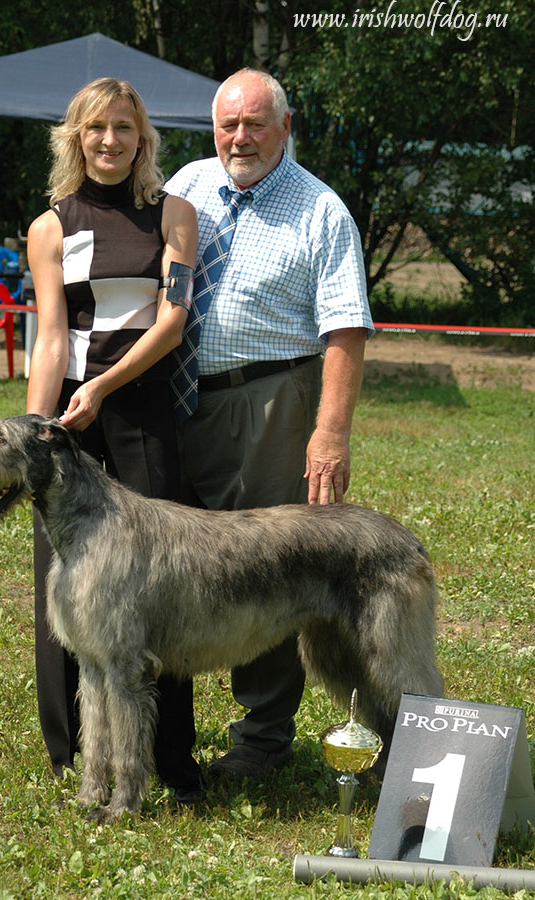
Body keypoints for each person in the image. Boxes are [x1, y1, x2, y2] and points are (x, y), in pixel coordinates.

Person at [166, 69, 374, 780]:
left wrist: (329, 434)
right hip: (176, 399)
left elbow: (345, 330)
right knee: (176, 564)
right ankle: (170, 733)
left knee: (266, 571)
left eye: (255, 123)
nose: (239, 137)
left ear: (285, 127)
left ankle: (260, 741)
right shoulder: (186, 186)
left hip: (268, 403)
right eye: (228, 124)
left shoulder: (320, 211)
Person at [26, 77, 202, 802]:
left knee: (162, 588)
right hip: (70, 428)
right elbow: (51, 337)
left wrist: (103, 386)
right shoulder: (51, 226)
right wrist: (37, 434)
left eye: (123, 129)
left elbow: (173, 317)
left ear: (142, 138)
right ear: (75, 136)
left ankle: (170, 760)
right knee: (68, 587)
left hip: (145, 414)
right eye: (96, 129)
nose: (109, 141)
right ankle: (72, 757)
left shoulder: (174, 214)